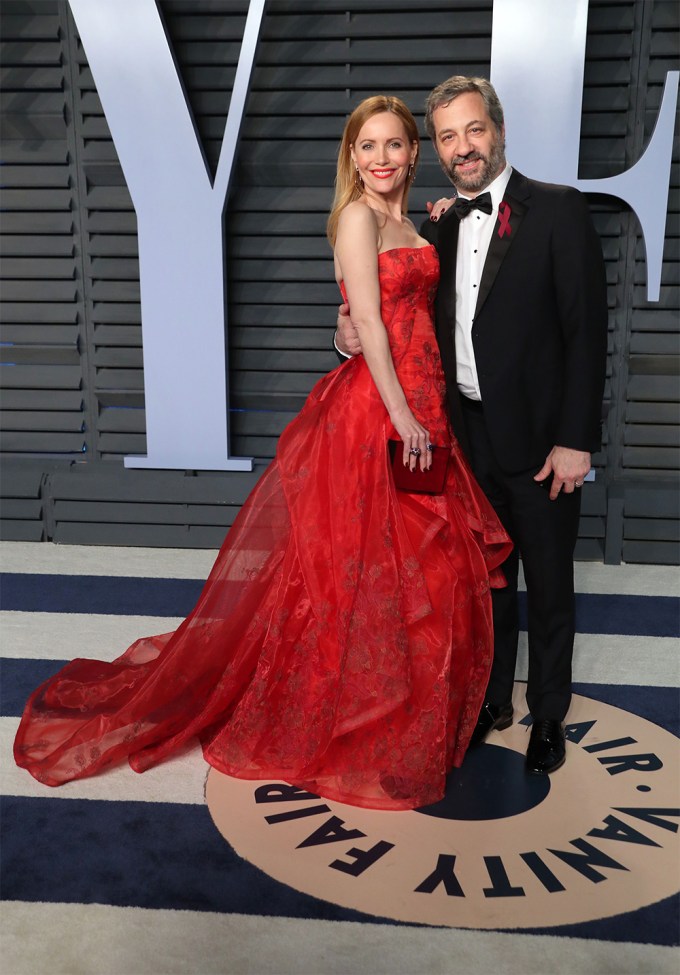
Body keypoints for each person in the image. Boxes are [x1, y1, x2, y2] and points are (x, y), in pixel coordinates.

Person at [14, 96, 511, 810]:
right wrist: (401, 413)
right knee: (356, 574)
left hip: (424, 405)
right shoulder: (356, 217)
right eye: (367, 146)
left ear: (412, 152)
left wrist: (414, 397)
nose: (380, 159)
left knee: (415, 576)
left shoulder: (410, 219)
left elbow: (392, 312)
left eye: (394, 145)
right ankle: (354, 723)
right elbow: (366, 318)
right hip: (380, 414)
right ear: (351, 155)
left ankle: (402, 716)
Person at [336, 77, 608, 775]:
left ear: (499, 130)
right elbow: (389, 315)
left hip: (545, 442)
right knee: (482, 581)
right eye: (450, 135)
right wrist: (344, 336)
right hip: (460, 435)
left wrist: (577, 439)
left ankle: (548, 711)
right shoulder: (438, 226)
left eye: (474, 130)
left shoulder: (557, 209)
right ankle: (493, 699)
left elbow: (587, 333)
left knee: (547, 581)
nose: (463, 147)